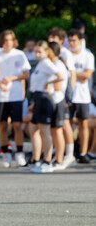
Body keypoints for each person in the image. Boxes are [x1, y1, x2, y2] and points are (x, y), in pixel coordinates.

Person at [0, 29, 31, 168]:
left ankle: (19, 153)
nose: (7, 43)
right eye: (5, 40)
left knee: (17, 125)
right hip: (0, 95)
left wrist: (12, 78)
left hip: (15, 95)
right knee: (2, 126)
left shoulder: (19, 54)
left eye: (10, 40)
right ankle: (6, 153)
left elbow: (26, 74)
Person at [27, 43, 65, 173]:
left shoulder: (47, 62)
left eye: (40, 52)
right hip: (37, 97)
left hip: (44, 98)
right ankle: (36, 159)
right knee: (33, 128)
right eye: (36, 52)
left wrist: (48, 84)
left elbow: (61, 76)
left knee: (45, 130)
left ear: (47, 51)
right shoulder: (41, 63)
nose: (37, 54)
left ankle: (47, 161)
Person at [47, 27, 76, 167]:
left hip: (61, 95)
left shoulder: (65, 53)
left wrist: (69, 95)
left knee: (64, 124)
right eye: (50, 37)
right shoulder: (49, 55)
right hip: (53, 96)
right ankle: (57, 152)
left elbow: (71, 75)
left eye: (54, 38)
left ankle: (69, 154)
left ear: (61, 40)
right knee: (56, 126)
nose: (50, 40)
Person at [68, 28, 94, 164]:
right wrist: (78, 75)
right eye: (70, 40)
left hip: (82, 96)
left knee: (83, 124)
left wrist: (71, 74)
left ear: (80, 41)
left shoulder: (87, 55)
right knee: (66, 124)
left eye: (74, 40)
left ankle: (83, 153)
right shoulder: (66, 55)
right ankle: (69, 152)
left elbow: (87, 75)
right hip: (69, 96)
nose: (71, 43)